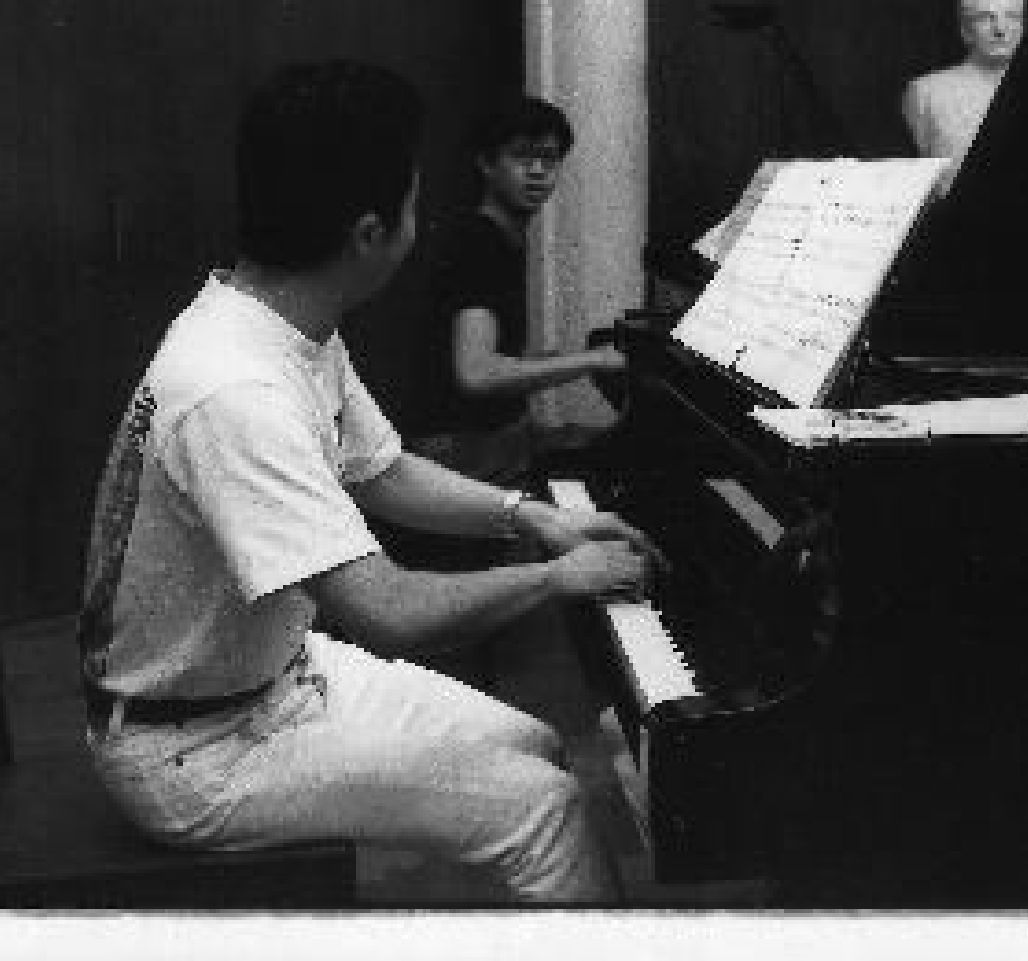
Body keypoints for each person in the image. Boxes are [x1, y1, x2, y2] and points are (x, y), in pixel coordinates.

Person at [74, 61, 659, 903]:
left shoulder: (282, 318)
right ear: (369, 234)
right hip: (192, 752)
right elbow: (388, 608)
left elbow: (382, 470)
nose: (422, 220)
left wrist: (533, 518)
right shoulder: (236, 390)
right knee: (548, 809)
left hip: (274, 677)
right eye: (416, 203)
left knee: (536, 744)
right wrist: (557, 578)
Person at [407, 95, 625, 488]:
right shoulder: (480, 245)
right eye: (522, 156)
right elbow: (477, 374)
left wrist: (565, 361)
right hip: (462, 454)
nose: (538, 171)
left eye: (550, 159)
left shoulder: (500, 237)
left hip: (489, 440)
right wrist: (594, 360)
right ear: (487, 164)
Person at [901, 0, 1028, 188]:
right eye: (985, 18)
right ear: (966, 31)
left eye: (1012, 17)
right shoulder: (927, 92)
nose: (1000, 29)